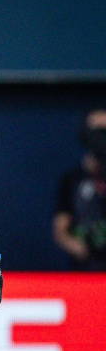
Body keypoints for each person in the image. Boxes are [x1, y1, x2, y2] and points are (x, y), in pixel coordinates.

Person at [53, 108, 106, 271]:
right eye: (97, 131)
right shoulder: (73, 179)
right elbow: (60, 229)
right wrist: (79, 248)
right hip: (85, 271)